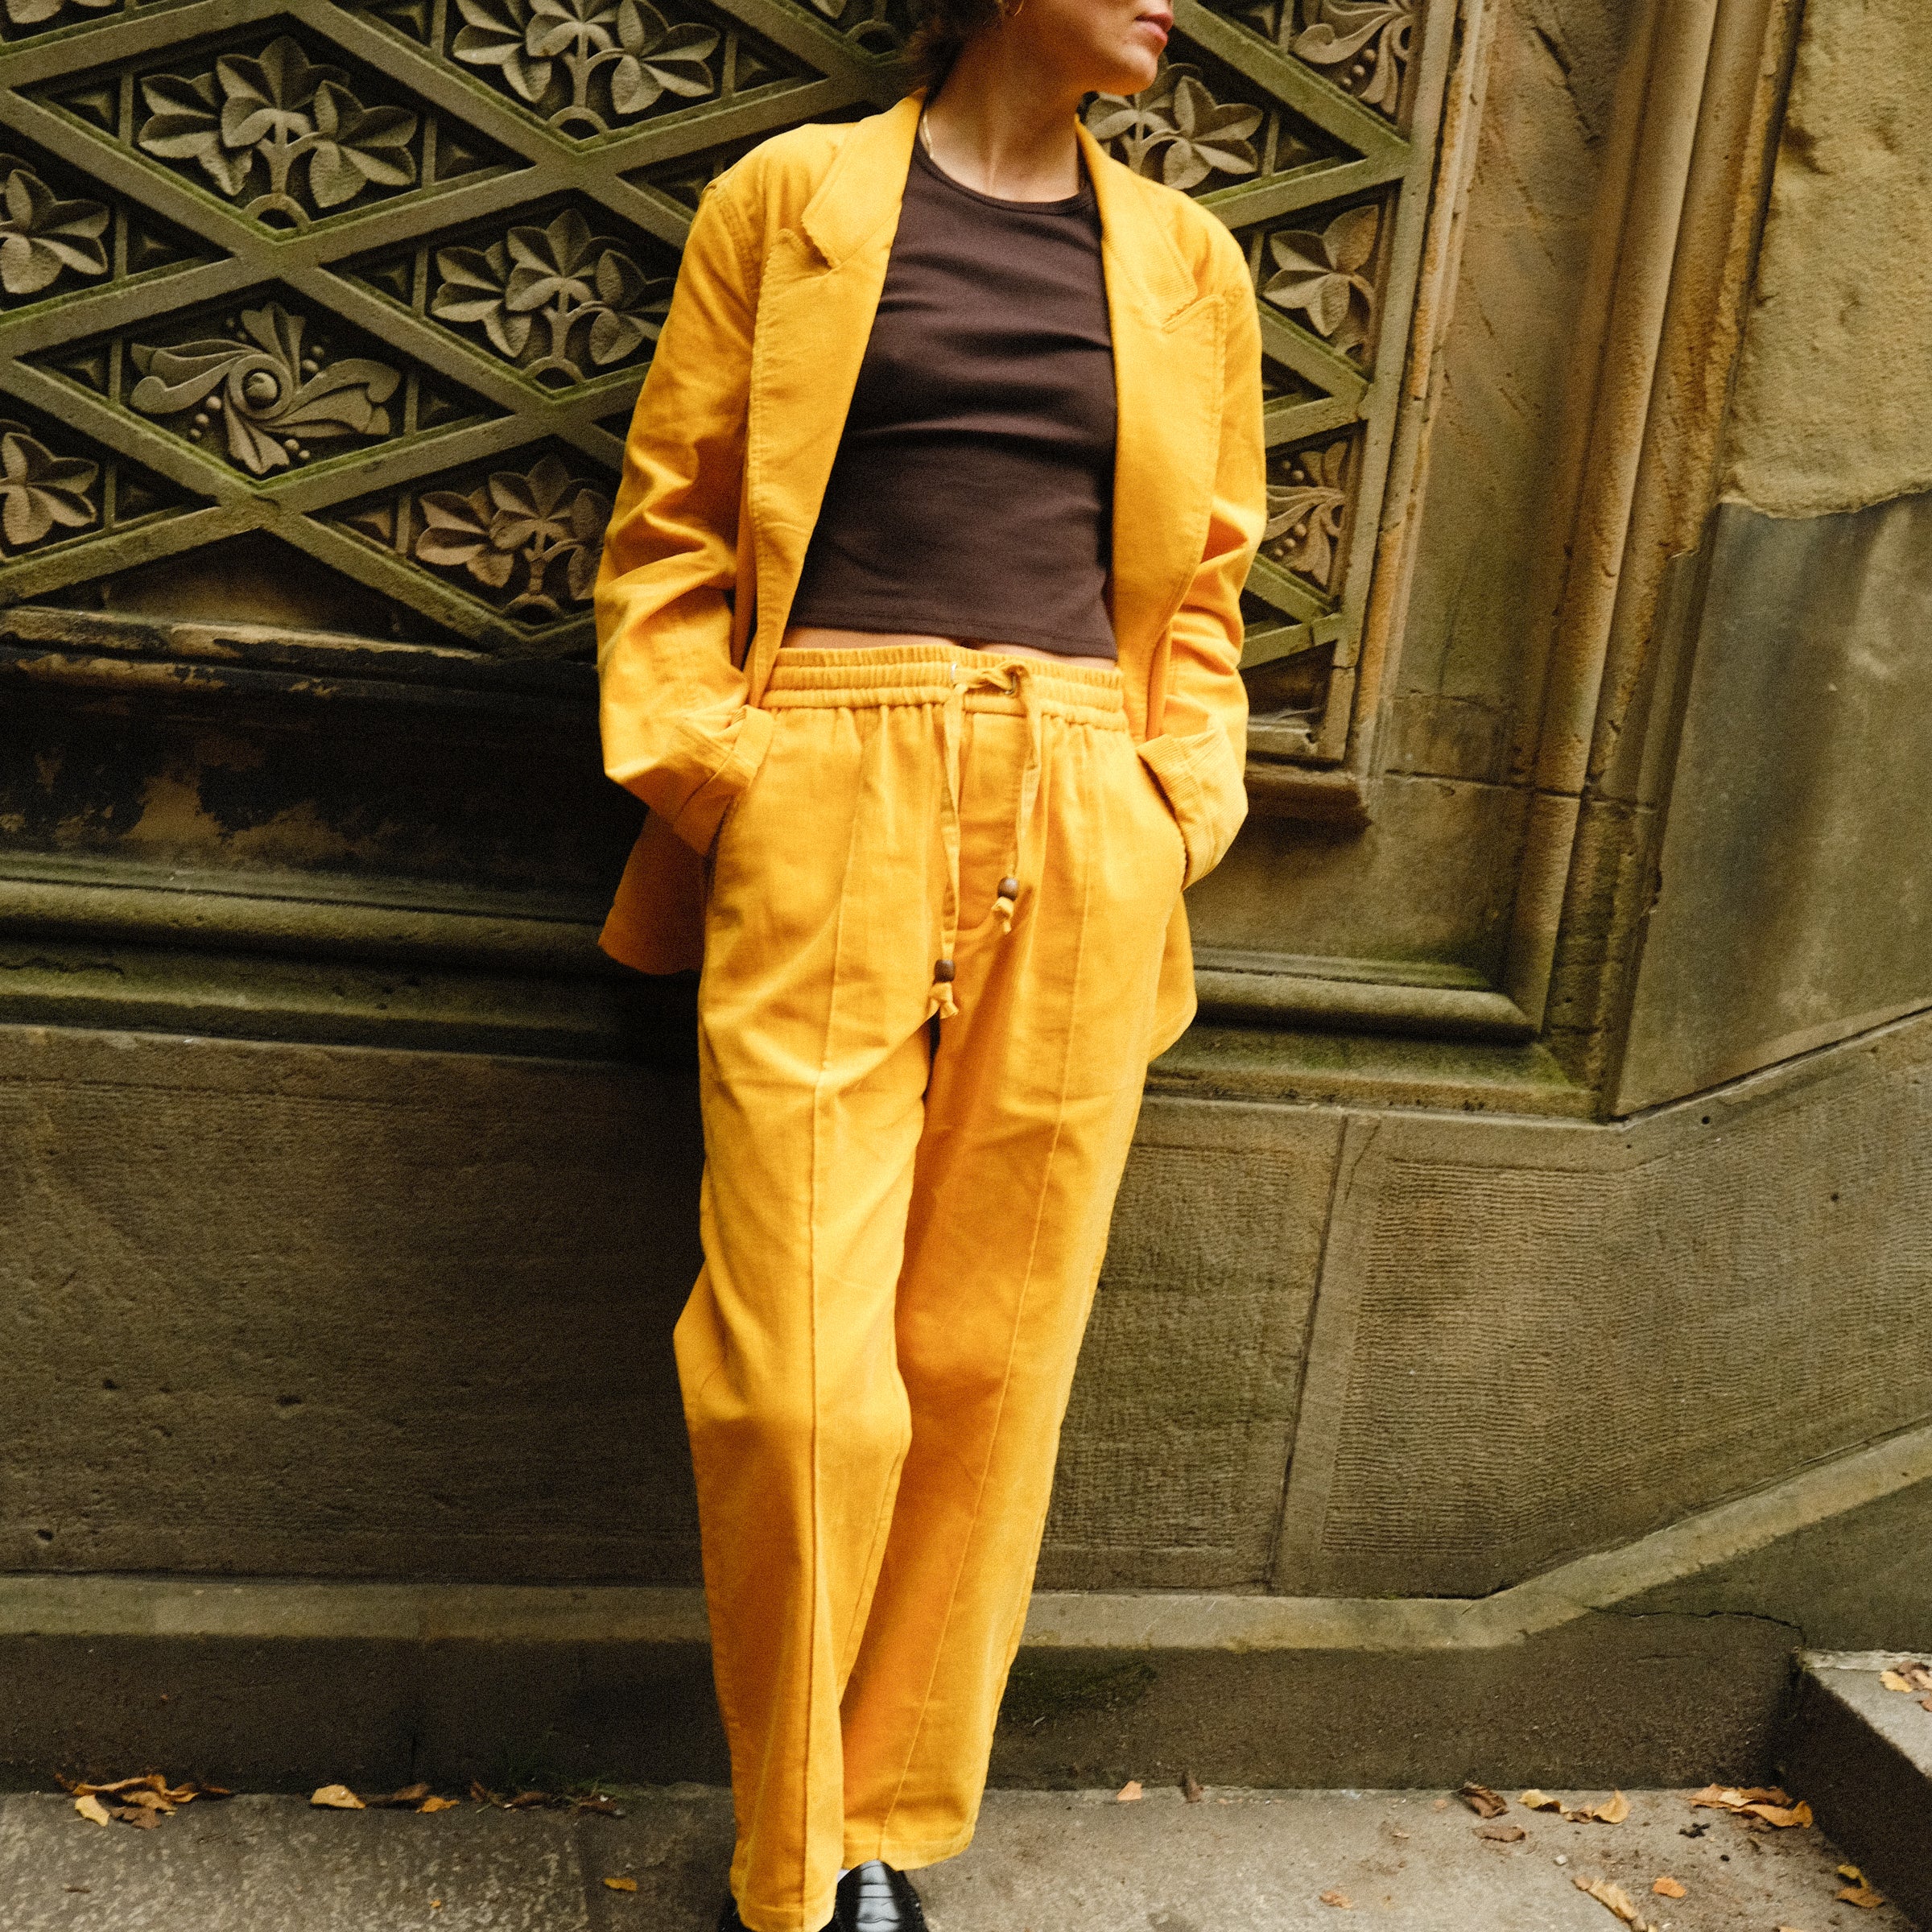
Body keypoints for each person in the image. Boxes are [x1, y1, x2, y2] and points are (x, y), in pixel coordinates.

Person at [592, 0, 1265, 1917]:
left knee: (988, 1365)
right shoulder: (792, 200)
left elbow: (1208, 584)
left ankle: (882, 1828)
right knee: (800, 1377)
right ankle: (792, 1850)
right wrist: (730, 772)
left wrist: (1171, 803)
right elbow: (668, 533)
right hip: (830, 772)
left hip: (1082, 797)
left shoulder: (1187, 263)